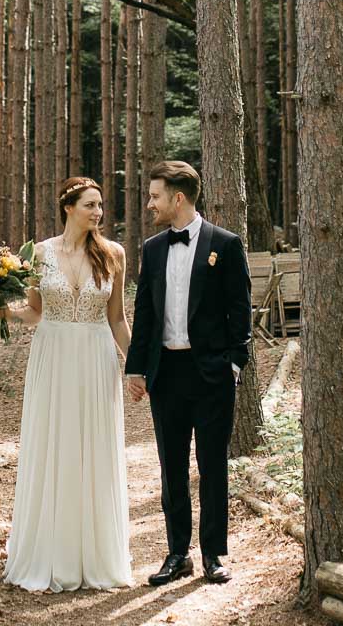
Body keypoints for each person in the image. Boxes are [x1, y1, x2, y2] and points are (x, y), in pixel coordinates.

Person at [0, 177, 134, 592]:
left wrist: (137, 366)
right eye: (90, 205)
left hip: (95, 357)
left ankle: (96, 557)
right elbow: (37, 312)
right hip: (53, 355)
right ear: (68, 207)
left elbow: (116, 318)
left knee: (93, 446)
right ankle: (50, 553)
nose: (98, 213)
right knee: (53, 444)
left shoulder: (113, 254)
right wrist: (5, 313)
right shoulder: (40, 253)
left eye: (100, 206)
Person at [124, 160, 252, 585]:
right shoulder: (153, 248)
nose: (150, 203)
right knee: (171, 467)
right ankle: (177, 553)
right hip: (167, 373)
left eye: (155, 195)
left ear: (178, 198)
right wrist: (137, 368)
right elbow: (144, 312)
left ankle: (214, 554)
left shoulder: (226, 244)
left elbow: (241, 311)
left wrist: (234, 365)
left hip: (211, 373)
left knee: (212, 464)